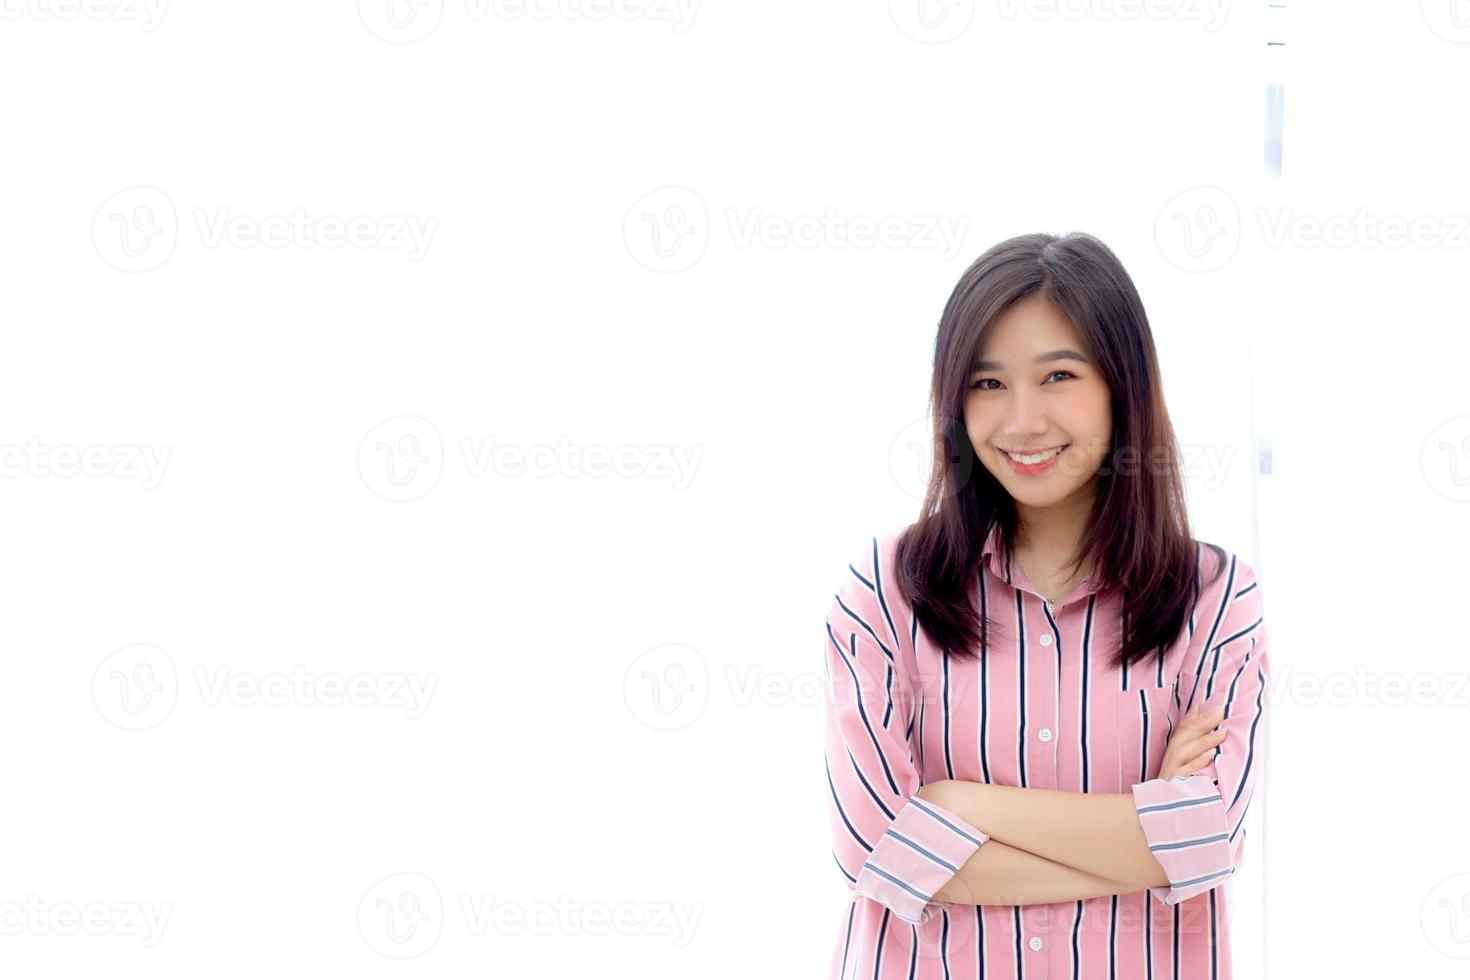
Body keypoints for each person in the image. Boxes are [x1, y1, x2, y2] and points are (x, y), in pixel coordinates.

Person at [824, 232, 1270, 979]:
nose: (1021, 421)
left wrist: (964, 806)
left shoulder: (1217, 597)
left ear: (1121, 387)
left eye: (1058, 375)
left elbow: (1207, 836)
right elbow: (874, 852)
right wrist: (1142, 843)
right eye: (988, 384)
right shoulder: (885, 590)